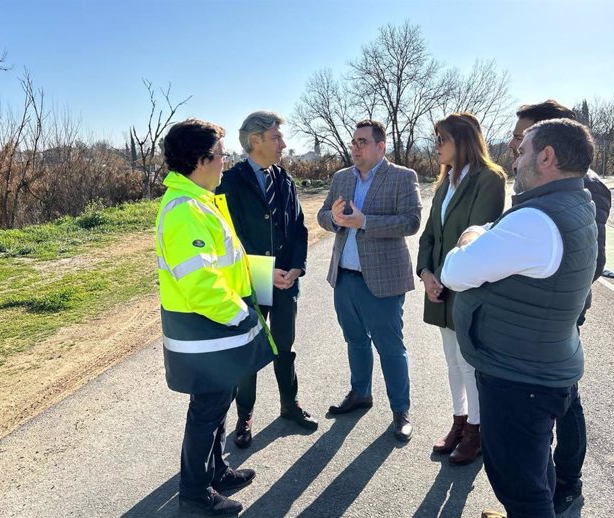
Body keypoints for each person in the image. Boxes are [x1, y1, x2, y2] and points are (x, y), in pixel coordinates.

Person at [442, 118, 598, 518]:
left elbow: (454, 272)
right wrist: (489, 235)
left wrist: (471, 236)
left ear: (546, 157)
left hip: (518, 378)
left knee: (519, 485)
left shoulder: (535, 221)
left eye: (521, 150)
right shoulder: (574, 202)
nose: (514, 161)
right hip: (540, 366)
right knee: (533, 467)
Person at [156, 119, 274, 516]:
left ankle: (216, 470)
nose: (226, 161)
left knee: (218, 405)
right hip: (207, 330)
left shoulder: (200, 201)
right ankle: (194, 492)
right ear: (202, 159)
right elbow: (201, 283)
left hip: (215, 333)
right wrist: (241, 315)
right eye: (222, 154)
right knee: (205, 413)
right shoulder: (185, 210)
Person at [509, 100, 611, 516]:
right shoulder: (536, 182)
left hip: (558, 314)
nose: (516, 145)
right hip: (534, 311)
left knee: (564, 400)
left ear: (549, 144)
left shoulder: (590, 188)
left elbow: (592, 260)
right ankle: (541, 484)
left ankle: (567, 482)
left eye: (522, 136)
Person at [317, 119, 422, 441]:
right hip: (344, 277)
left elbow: (411, 222)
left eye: (362, 142)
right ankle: (360, 393)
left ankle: (400, 410)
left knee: (390, 348)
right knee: (355, 340)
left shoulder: (403, 177)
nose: (355, 147)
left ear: (381, 146)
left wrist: (365, 222)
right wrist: (334, 220)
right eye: (353, 142)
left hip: (383, 281)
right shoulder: (341, 178)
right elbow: (322, 215)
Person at [217, 111, 317, 450]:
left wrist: (296, 268)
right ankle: (244, 416)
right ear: (255, 140)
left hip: (286, 281)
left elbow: (299, 228)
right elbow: (230, 238)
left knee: (284, 345)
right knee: (250, 351)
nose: (283, 144)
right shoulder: (230, 182)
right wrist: (262, 271)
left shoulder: (285, 179)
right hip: (251, 281)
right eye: (276, 137)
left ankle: (289, 406)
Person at [416, 112, 506, 464]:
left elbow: (477, 237)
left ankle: (476, 431)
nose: (436, 146)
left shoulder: (490, 179)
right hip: (439, 287)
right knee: (452, 361)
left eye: (442, 139)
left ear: (463, 140)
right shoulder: (444, 182)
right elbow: (429, 236)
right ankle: (459, 421)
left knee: (469, 363)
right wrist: (426, 273)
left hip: (466, 287)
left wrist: (442, 275)